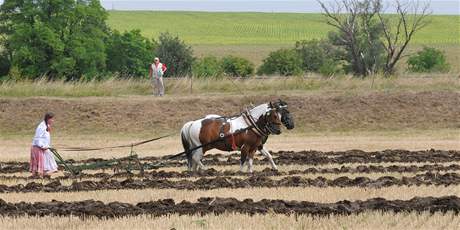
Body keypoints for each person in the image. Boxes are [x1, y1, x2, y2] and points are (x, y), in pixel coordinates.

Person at [30, 112, 58, 178]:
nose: (53, 121)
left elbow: (45, 138)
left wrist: (48, 146)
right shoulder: (41, 127)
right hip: (38, 148)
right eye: (52, 119)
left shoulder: (46, 126)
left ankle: (44, 175)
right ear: (48, 119)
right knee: (44, 165)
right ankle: (40, 176)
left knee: (49, 162)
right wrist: (43, 146)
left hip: (44, 148)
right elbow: (37, 138)